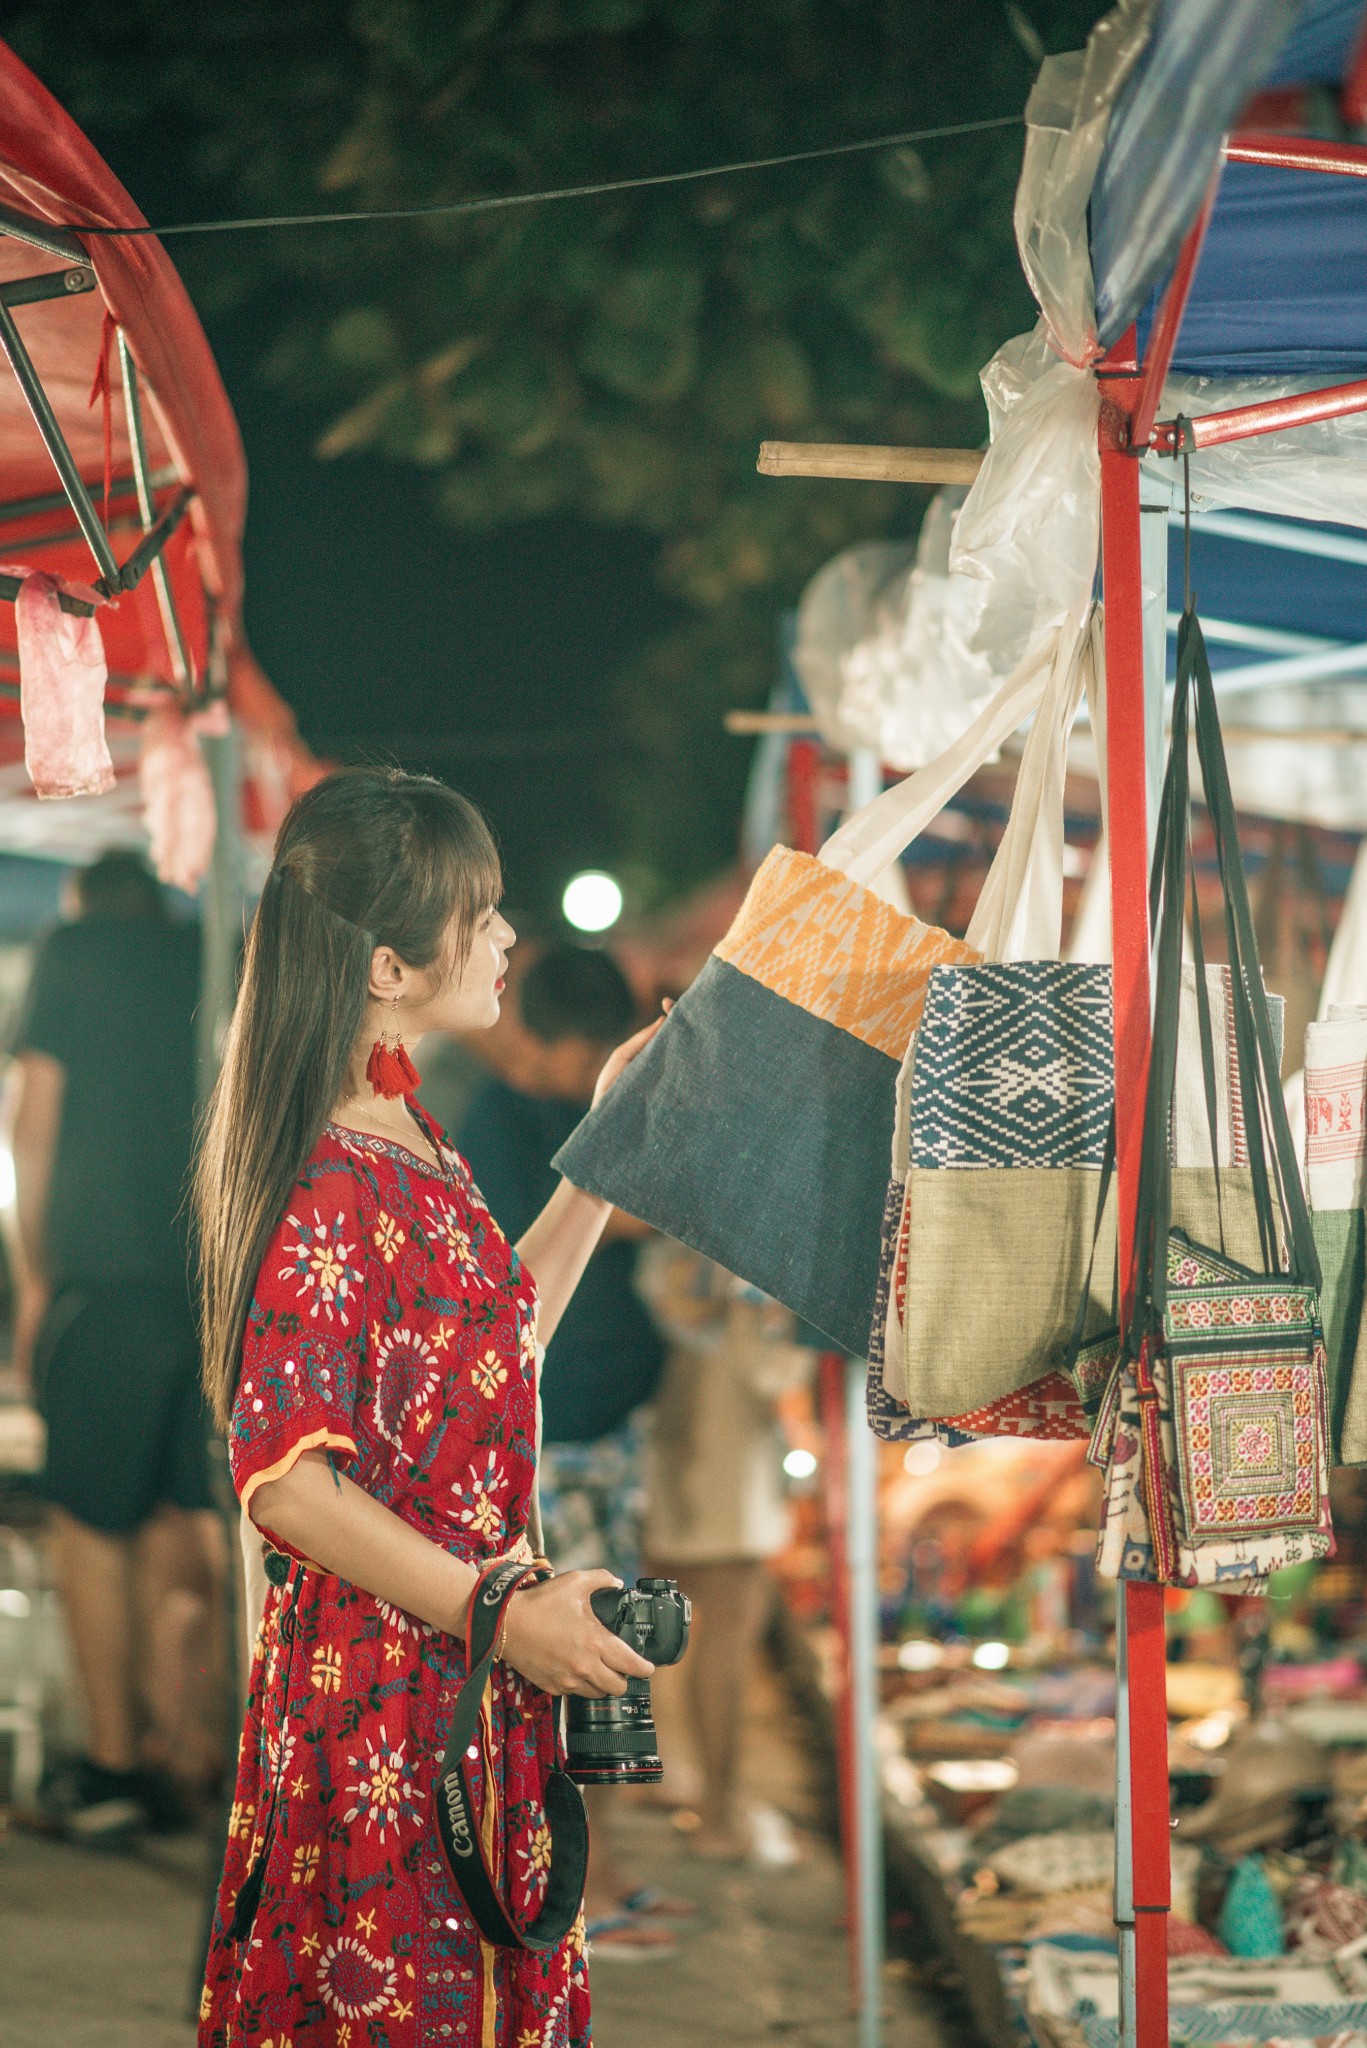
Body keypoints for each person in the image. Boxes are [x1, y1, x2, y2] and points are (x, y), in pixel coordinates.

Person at [195, 769, 664, 2048]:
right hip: (388, 1705)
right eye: (484, 910)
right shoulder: (326, 1170)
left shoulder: (407, 1127)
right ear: (392, 964)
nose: (509, 937)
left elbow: (500, 1337)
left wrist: (608, 1140)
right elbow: (285, 1479)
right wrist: (499, 1614)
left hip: (458, 1672)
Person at [457, 947, 678, 1954]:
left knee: (612, 1654)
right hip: (557, 1438)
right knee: (583, 1660)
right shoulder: (496, 1121)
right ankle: (578, 1881)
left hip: (600, 1430)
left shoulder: (542, 1107)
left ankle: (598, 1869)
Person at [9, 847, 224, 1844]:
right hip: (206, 1282)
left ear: (85, 904)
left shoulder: (72, 952)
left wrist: (39, 1271)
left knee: (91, 1521)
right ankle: (184, 1750)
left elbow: (35, 1117)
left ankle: (107, 1763)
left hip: (105, 1277)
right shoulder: (203, 953)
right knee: (185, 1517)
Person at [638, 1244, 811, 1862]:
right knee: (727, 1634)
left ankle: (674, 1781)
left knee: (656, 1620)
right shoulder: (736, 1244)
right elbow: (772, 1368)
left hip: (676, 1434)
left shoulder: (679, 1234)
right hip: (722, 1441)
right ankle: (718, 1812)